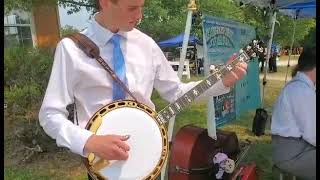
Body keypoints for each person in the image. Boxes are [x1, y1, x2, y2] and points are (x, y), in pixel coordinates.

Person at [38, 0, 247, 178]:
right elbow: (50, 115)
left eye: (141, 6)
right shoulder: (71, 49)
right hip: (103, 165)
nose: (139, 15)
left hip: (149, 158)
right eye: (132, 8)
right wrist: (88, 141)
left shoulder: (147, 45)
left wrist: (221, 82)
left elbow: (176, 93)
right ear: (105, 2)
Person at [271, 46, 316, 180]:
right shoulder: (300, 90)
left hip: (297, 149)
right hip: (293, 154)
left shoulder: (302, 87)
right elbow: (313, 135)